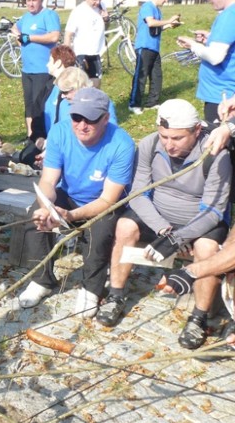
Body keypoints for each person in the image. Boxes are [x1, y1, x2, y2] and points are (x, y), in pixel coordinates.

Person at [96, 100, 231, 348]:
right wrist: (164, 230)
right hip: (159, 217)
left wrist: (181, 237)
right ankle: (115, 295)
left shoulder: (216, 155)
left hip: (199, 220)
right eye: (164, 136)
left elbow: (213, 211)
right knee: (125, 227)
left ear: (197, 131)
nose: (169, 144)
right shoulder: (149, 144)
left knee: (206, 249)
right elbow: (138, 193)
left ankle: (199, 317)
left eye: (177, 138)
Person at [17, 88, 135, 317]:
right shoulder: (60, 131)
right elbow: (49, 180)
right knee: (35, 216)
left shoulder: (122, 144)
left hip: (103, 202)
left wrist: (69, 216)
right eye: (76, 117)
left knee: (100, 229)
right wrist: (47, 206)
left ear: (106, 118)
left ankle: (91, 288)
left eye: (90, 119)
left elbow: (108, 199)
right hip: (68, 195)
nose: (82, 125)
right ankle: (41, 279)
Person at [177, 0, 235, 124]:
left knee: (220, 144)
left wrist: (192, 45)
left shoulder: (229, 15)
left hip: (222, 97)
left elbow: (215, 57)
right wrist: (210, 39)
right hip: (225, 94)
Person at [10, 0, 61, 139]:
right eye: (28, 1)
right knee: (29, 105)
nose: (31, 4)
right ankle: (30, 137)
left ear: (41, 0)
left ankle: (42, 137)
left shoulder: (49, 15)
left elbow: (54, 37)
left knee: (40, 106)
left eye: (34, 0)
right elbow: (15, 28)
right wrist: (18, 37)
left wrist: (29, 38)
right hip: (27, 70)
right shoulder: (26, 17)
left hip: (43, 70)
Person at [128, 0, 181, 115]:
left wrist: (170, 25)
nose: (166, 0)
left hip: (154, 48)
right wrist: (169, 20)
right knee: (141, 76)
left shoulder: (158, 10)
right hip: (144, 46)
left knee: (156, 76)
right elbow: (151, 23)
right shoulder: (148, 6)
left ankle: (152, 102)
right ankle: (134, 104)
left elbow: (157, 28)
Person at [63, 0, 109, 88]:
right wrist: (67, 56)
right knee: (81, 86)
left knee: (96, 85)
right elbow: (68, 33)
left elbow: (106, 27)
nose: (97, 2)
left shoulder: (102, 6)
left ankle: (92, 103)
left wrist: (106, 19)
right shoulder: (78, 11)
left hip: (96, 52)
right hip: (81, 53)